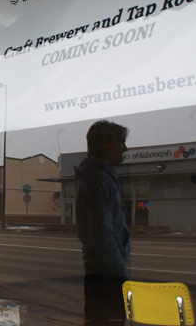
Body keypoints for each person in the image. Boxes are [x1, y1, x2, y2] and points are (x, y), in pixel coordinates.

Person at [76, 120, 131, 325]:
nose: (125, 148)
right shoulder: (97, 179)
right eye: (121, 142)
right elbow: (100, 233)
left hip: (104, 268)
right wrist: (120, 273)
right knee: (107, 320)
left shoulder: (101, 177)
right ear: (107, 144)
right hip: (106, 270)